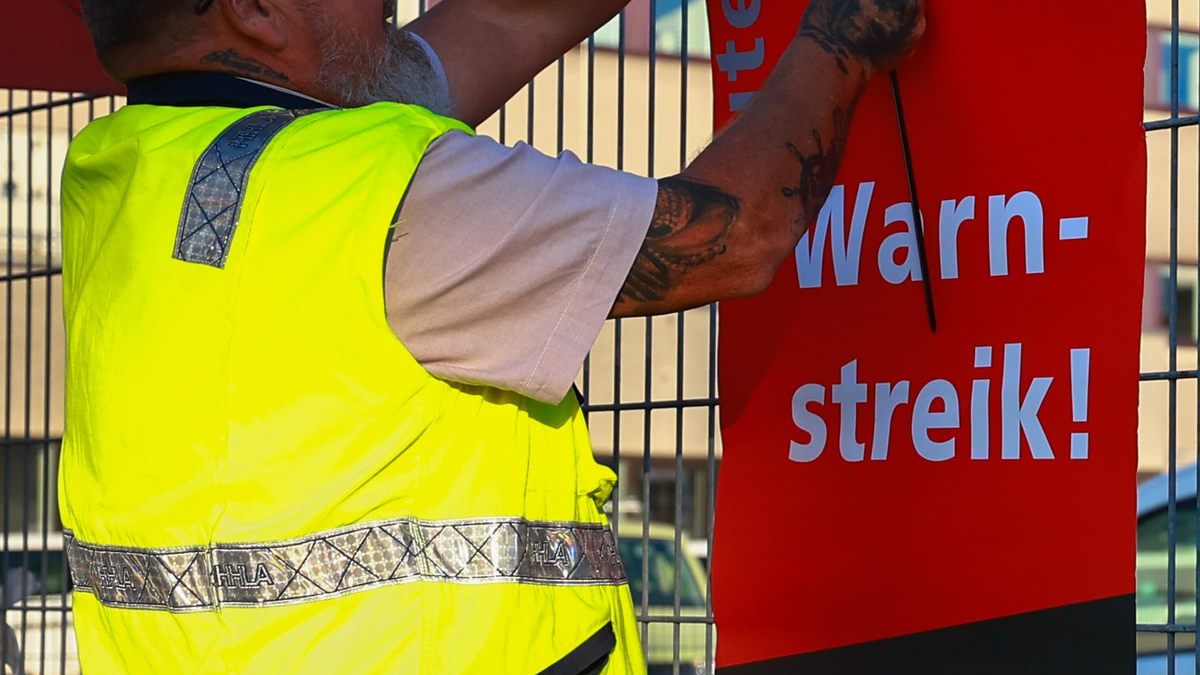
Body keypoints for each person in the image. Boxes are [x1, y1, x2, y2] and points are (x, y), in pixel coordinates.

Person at [59, 0, 925, 673]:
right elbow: (739, 232)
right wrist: (839, 40)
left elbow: (502, 21)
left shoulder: (122, 173)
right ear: (254, 11)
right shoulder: (391, 195)